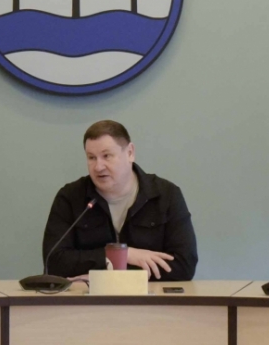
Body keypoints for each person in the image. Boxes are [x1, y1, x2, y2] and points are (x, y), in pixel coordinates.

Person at [42, 120, 198, 281]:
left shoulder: (166, 195)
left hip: (149, 295)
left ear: (130, 153)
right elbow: (53, 262)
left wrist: (105, 275)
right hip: (88, 296)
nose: (98, 167)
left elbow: (184, 264)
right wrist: (125, 255)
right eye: (91, 157)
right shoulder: (70, 197)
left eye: (106, 156)